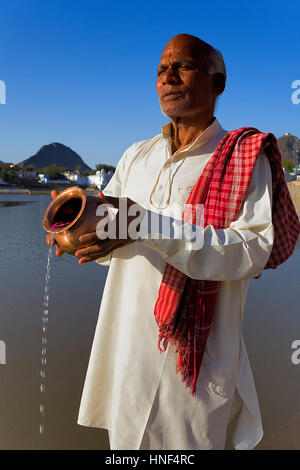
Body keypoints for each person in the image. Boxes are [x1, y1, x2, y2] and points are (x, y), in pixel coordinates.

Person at [47, 34, 300, 450]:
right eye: (161, 70)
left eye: (183, 67)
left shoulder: (243, 156)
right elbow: (112, 231)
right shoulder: (136, 156)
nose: (168, 77)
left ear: (218, 83)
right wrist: (83, 235)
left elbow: (252, 250)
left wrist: (145, 224)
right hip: (128, 348)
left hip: (196, 361)